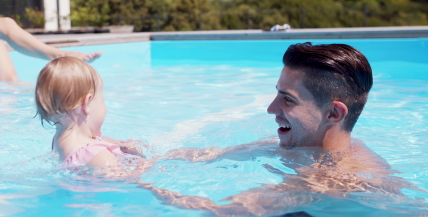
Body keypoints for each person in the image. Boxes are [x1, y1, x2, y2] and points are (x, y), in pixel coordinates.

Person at [150, 42, 422, 215]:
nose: (271, 108)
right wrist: (144, 157)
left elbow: (221, 210)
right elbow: (219, 154)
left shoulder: (344, 179)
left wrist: (136, 184)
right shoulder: (307, 143)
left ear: (333, 113)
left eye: (288, 99)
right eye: (277, 94)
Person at [35, 56, 146, 172]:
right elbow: (127, 181)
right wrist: (146, 164)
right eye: (102, 100)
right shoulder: (99, 156)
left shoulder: (61, 140)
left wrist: (115, 143)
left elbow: (88, 143)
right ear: (87, 103)